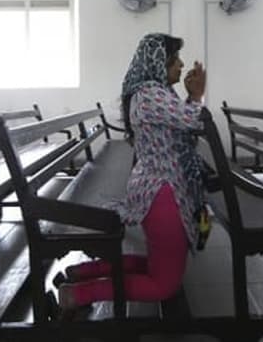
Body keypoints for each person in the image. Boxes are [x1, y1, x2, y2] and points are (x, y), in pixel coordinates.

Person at [56, 32, 207, 312]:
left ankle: (84, 273)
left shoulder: (154, 93)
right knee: (164, 285)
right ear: (158, 63)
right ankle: (77, 295)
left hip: (159, 189)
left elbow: (182, 124)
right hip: (164, 194)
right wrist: (196, 96)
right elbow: (195, 121)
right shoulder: (151, 95)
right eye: (174, 59)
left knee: (154, 264)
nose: (182, 65)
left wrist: (190, 97)